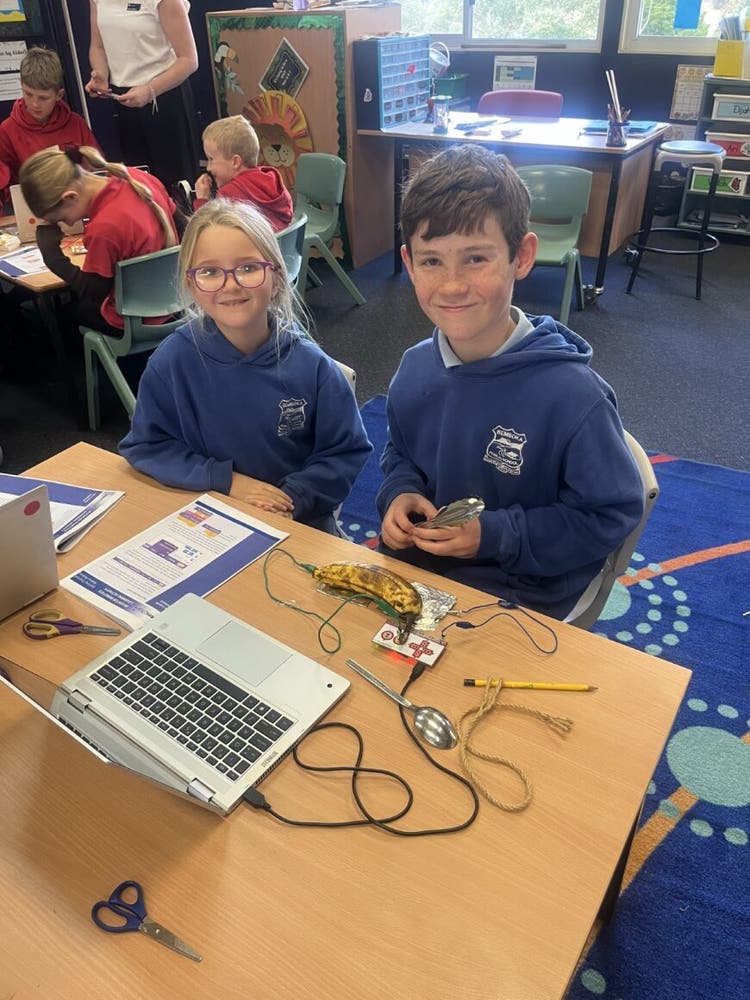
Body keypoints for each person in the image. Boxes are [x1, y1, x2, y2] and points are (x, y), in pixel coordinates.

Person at [376, 144, 644, 620]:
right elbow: (401, 451)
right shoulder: (415, 368)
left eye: (476, 259)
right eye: (432, 261)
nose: (453, 284)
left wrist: (494, 534)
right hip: (421, 568)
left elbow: (609, 514)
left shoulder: (574, 397)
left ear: (521, 257)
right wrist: (399, 492)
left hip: (522, 592)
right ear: (409, 264)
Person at [119, 199, 371, 533]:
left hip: (297, 524)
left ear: (277, 276)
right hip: (210, 521)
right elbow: (147, 446)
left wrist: (291, 498)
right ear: (192, 283)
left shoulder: (313, 368)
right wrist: (226, 481)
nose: (231, 284)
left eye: (248, 268)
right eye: (209, 272)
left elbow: (345, 452)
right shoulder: (171, 362)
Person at [19, 145, 178, 334]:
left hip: (137, 320)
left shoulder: (104, 228)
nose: (68, 225)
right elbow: (182, 223)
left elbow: (94, 291)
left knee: (72, 313)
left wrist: (52, 256)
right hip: (177, 300)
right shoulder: (137, 178)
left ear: (70, 196)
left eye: (61, 219)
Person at [85, 0, 200, 192]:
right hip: (124, 100)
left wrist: (149, 90)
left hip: (164, 97)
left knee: (177, 186)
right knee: (140, 185)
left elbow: (189, 59)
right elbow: (97, 46)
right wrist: (101, 74)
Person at [0, 47, 99, 206]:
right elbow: (5, 186)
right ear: (21, 87)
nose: (34, 104)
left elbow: (96, 169)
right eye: (28, 94)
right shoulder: (7, 130)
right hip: (32, 208)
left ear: (59, 95)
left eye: (43, 98)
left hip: (75, 205)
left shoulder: (75, 123)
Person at [191, 116, 293, 232]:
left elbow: (208, 233)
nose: (208, 168)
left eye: (211, 159)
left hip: (252, 250)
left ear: (235, 162)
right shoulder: (274, 181)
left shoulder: (228, 197)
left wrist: (202, 201)